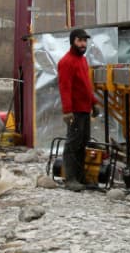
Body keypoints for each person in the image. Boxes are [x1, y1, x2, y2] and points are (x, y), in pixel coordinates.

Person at [57, 28, 95, 192]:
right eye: (80, 40)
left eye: (85, 41)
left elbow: (86, 85)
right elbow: (65, 88)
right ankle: (70, 178)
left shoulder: (83, 60)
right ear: (72, 41)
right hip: (75, 110)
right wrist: (67, 111)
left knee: (83, 143)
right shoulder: (66, 62)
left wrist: (94, 103)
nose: (83, 44)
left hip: (85, 109)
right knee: (73, 143)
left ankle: (80, 177)